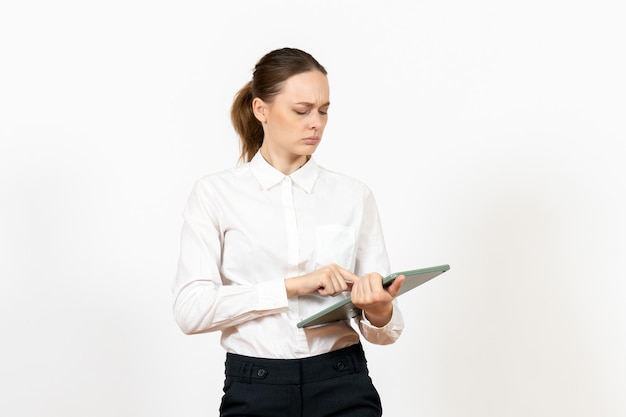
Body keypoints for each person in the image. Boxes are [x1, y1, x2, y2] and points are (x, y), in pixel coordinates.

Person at [172, 47, 406, 417]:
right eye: (301, 111)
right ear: (261, 110)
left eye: (324, 110)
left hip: (342, 380)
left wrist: (379, 308)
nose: (316, 123)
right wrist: (291, 286)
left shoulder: (353, 196)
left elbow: (385, 331)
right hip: (255, 384)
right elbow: (191, 311)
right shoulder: (215, 194)